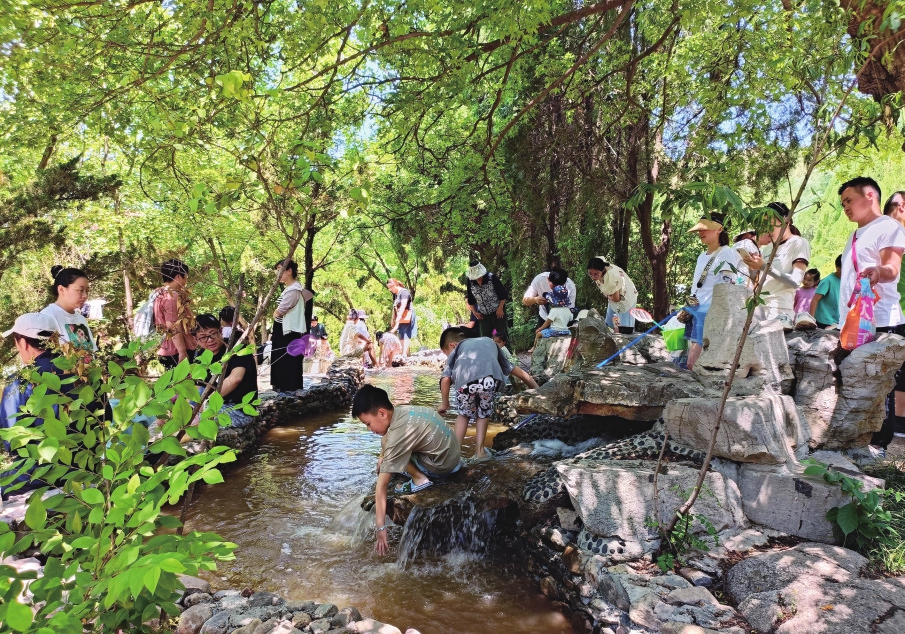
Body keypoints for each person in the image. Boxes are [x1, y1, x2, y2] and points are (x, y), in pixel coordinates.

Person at [351, 385, 462, 554]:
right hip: (453, 459)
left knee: (391, 456)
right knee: (387, 447)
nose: (369, 429)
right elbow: (387, 442)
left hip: (441, 467)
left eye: (368, 423)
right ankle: (415, 472)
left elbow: (381, 487)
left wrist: (381, 528)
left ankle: (419, 479)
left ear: (382, 413)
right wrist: (383, 456)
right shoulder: (401, 411)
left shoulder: (398, 435)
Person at [837, 177, 905, 450]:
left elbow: (892, 268)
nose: (846, 208)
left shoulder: (889, 227)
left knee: (881, 389)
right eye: (842, 204)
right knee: (859, 385)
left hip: (880, 321)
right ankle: (859, 443)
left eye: (849, 200)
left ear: (869, 196)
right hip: (854, 323)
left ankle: (878, 445)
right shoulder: (854, 235)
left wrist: (879, 273)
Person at [438, 327, 538, 460]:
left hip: (465, 382)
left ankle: (453, 455)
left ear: (453, 345)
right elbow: (515, 369)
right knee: (483, 414)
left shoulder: (457, 349)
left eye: (447, 353)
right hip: (489, 380)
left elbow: (445, 379)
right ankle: (480, 452)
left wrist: (445, 403)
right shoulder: (490, 343)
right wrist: (536, 388)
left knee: (464, 415)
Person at [0, 313, 70, 499]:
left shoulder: (18, 383)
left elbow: (12, 441)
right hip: (87, 465)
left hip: (40, 474)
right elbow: (107, 418)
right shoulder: (81, 372)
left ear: (22, 343)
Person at [684, 214, 743, 370]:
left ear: (719, 229)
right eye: (699, 230)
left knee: (692, 363)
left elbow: (726, 284)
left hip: (709, 314)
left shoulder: (726, 253)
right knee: (693, 363)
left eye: (706, 229)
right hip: (696, 311)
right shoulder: (702, 256)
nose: (700, 233)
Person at [741, 202, 811, 329]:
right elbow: (758, 281)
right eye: (764, 224)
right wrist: (753, 269)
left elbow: (795, 282)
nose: (767, 228)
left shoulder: (798, 243)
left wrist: (764, 267)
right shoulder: (767, 248)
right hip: (759, 309)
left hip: (780, 310)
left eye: (771, 223)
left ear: (786, 221)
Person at [192, 314, 258, 427]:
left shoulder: (237, 349)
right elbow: (197, 387)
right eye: (203, 337)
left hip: (238, 410)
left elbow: (235, 379)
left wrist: (206, 402)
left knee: (197, 425)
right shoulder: (201, 357)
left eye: (213, 333)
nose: (209, 340)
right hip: (212, 407)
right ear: (196, 339)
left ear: (220, 331)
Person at [271, 259, 313, 392]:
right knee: (282, 360)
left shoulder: (293, 290)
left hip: (287, 332)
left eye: (280, 269)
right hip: (283, 330)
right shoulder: (290, 289)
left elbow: (279, 312)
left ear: (289, 271)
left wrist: (275, 313)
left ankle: (288, 389)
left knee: (287, 362)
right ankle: (284, 388)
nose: (278, 273)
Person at [40, 266, 97, 359]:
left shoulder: (80, 318)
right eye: (80, 290)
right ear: (61, 289)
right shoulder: (47, 317)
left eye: (87, 291)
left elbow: (91, 353)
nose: (85, 295)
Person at [153, 259, 196, 369]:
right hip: (176, 350)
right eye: (185, 276)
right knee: (185, 384)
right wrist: (182, 352)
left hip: (165, 348)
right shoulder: (171, 297)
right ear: (178, 276)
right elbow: (172, 325)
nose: (186, 280)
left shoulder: (158, 293)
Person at [586, 257, 638, 334]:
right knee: (608, 327)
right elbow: (599, 258)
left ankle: (625, 345)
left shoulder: (611, 277)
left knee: (624, 331)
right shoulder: (601, 263)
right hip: (612, 298)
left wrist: (606, 295)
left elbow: (617, 298)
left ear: (603, 270)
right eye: (590, 274)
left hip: (626, 300)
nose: (593, 277)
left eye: (596, 274)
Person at [465, 259, 510, 340]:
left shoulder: (491, 278)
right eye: (476, 277)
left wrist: (500, 308)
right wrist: (475, 313)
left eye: (479, 277)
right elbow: (471, 300)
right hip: (483, 314)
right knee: (485, 338)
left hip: (497, 311)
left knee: (502, 336)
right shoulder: (470, 282)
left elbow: (503, 295)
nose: (478, 279)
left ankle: (507, 352)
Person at [529, 284, 573, 352]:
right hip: (566, 331)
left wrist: (540, 328)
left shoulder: (554, 310)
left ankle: (534, 348)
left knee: (538, 334)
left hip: (554, 332)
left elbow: (548, 322)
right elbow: (570, 319)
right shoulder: (568, 310)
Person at [810, 256, 842, 329]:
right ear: (838, 269)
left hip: (836, 320)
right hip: (823, 321)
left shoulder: (845, 281)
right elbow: (815, 299)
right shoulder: (828, 281)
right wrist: (811, 319)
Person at [387, 279, 415, 357]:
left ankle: (404, 353)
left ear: (395, 285)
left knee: (406, 333)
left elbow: (403, 305)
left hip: (406, 314)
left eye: (390, 287)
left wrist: (399, 316)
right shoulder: (396, 294)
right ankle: (402, 352)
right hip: (400, 314)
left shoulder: (404, 292)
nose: (390, 290)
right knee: (401, 333)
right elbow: (395, 306)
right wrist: (394, 318)